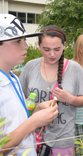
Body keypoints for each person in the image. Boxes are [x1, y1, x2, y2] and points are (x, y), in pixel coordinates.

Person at [19, 25, 83, 156]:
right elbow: (21, 98)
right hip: (32, 138)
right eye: (46, 49)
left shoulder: (74, 69)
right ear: (39, 46)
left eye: (57, 49)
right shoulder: (30, 66)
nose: (52, 54)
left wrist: (69, 98)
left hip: (62, 140)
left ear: (64, 46)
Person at [0, 14, 58, 156]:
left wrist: (37, 110)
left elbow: (13, 123)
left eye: (25, 40)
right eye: (18, 41)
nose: (26, 45)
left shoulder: (12, 77)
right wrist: (33, 122)